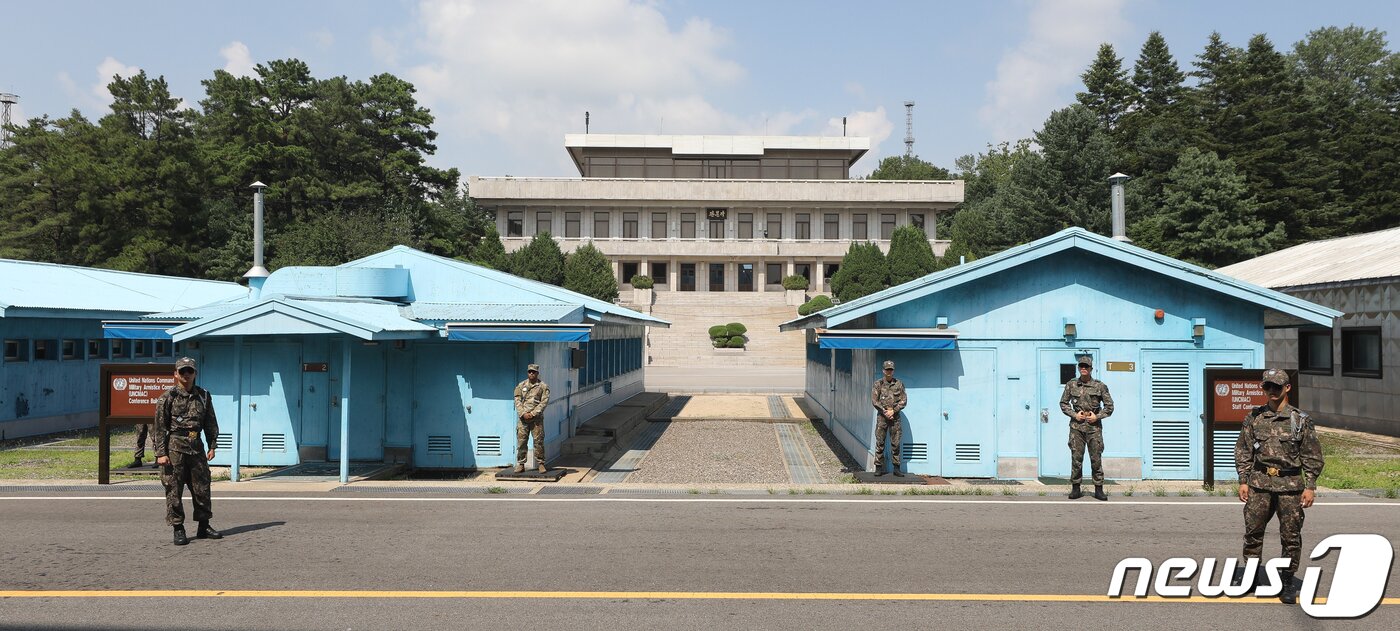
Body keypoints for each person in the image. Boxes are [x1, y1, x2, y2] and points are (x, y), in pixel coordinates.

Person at [1233, 368, 1323, 604]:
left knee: (1291, 536)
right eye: (1267, 386)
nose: (1271, 390)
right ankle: (1251, 577)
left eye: (1276, 386)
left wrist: (1310, 486)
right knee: (1253, 533)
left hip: (1290, 487)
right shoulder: (1254, 418)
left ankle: (1287, 581)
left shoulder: (1300, 420)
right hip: (1259, 485)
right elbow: (1243, 450)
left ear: (1287, 388)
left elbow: (1312, 456)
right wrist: (1243, 480)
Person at [153, 357, 221, 546]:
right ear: (176, 374)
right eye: (182, 371)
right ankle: (178, 528)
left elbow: (210, 421)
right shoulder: (167, 397)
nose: (186, 374)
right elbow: (159, 427)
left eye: (189, 371)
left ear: (195, 373)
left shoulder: (204, 396)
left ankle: (204, 526)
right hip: (175, 448)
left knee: (202, 488)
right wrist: (161, 453)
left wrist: (212, 445)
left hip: (196, 446)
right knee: (174, 489)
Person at [1060, 353, 1113, 500]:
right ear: (1079, 368)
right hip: (1076, 428)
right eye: (1081, 366)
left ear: (1091, 369)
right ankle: (1076, 488)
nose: (1083, 368)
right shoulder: (1071, 385)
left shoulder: (1100, 386)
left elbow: (1109, 407)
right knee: (1076, 459)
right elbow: (1063, 403)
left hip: (1094, 429)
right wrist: (1074, 414)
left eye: (1086, 366)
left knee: (1096, 459)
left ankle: (1098, 489)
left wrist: (1097, 416)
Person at [870, 360, 907, 477]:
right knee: (880, 442)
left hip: (895, 418)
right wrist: (884, 411)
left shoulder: (899, 384)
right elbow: (874, 401)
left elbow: (904, 400)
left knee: (896, 443)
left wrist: (893, 411)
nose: (889, 372)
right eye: (887, 370)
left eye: (891, 370)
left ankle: (896, 468)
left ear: (893, 371)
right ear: (883, 371)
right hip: (882, 417)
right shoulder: (878, 384)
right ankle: (878, 467)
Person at [513, 363, 550, 474]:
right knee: (522, 441)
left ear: (537, 373)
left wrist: (533, 413)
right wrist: (523, 413)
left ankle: (541, 464)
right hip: (523, 419)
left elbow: (544, 402)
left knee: (538, 442)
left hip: (536, 419)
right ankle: (521, 464)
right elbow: (517, 400)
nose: (531, 373)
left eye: (533, 372)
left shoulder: (543, 386)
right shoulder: (521, 385)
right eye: (529, 372)